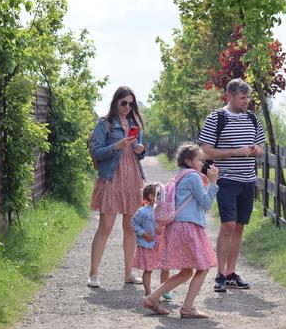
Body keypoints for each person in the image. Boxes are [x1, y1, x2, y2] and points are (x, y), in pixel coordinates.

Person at [198, 78, 265, 292]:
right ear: (230, 96)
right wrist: (235, 152)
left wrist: (257, 150)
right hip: (225, 179)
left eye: (248, 97)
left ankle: (230, 274)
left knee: (239, 227)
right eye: (242, 97)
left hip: (248, 180)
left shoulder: (252, 119)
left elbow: (261, 146)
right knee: (227, 225)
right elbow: (206, 150)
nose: (247, 101)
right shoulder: (216, 118)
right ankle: (219, 274)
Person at [142, 144, 219, 317]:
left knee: (186, 271)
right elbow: (206, 203)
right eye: (199, 160)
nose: (202, 164)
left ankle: (153, 298)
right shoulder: (193, 177)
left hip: (177, 226)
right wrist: (213, 183)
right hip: (189, 227)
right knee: (203, 266)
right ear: (187, 160)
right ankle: (187, 308)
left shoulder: (179, 176)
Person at [88, 86, 146, 288]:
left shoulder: (132, 123)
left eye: (131, 104)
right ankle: (93, 274)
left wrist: (140, 149)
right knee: (105, 227)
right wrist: (117, 146)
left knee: (130, 228)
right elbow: (96, 152)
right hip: (112, 178)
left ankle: (128, 274)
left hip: (132, 180)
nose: (128, 107)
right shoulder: (104, 124)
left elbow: (138, 152)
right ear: (115, 103)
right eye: (124, 103)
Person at [131, 183, 164, 296]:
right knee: (148, 270)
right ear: (151, 196)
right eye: (158, 194)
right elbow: (133, 224)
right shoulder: (142, 212)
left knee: (163, 267)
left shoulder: (161, 211)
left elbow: (165, 224)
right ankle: (148, 293)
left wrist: (162, 229)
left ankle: (163, 291)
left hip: (158, 245)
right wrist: (143, 233)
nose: (161, 196)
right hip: (146, 245)